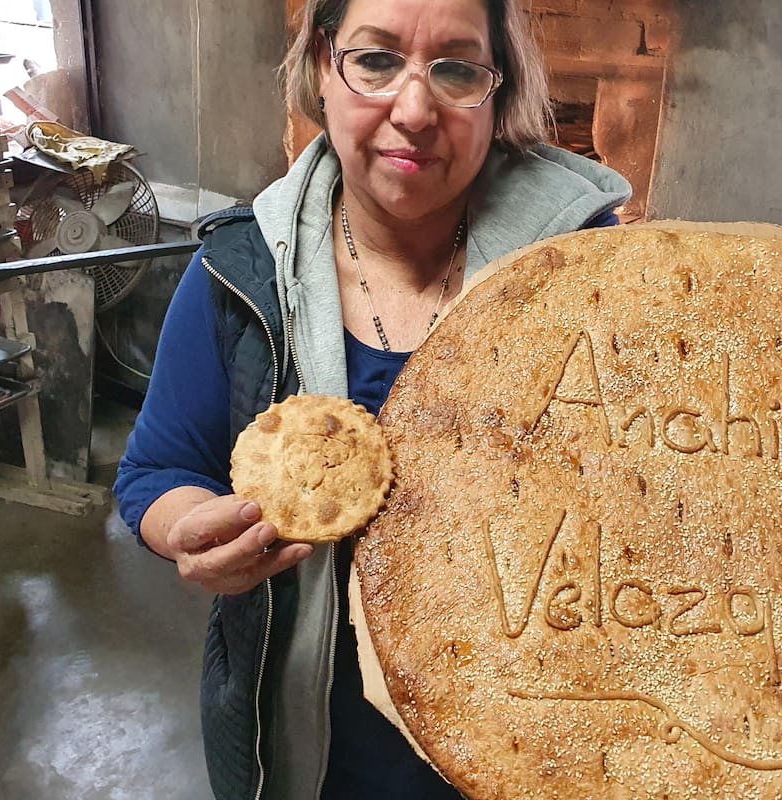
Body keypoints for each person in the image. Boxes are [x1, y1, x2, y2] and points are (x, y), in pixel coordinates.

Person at [114, 0, 630, 797]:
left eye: (457, 69)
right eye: (376, 59)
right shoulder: (239, 276)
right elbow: (155, 470)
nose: (414, 110)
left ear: (499, 92)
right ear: (324, 67)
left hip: (540, 751)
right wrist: (191, 529)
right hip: (315, 757)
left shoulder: (594, 275)